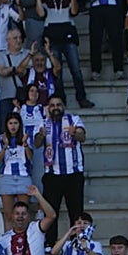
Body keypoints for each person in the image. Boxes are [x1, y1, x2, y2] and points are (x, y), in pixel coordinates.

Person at [39, 95, 87, 240]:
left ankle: (76, 242)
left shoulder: (74, 119)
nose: (55, 108)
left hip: (73, 173)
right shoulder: (42, 122)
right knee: (51, 212)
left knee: (76, 211)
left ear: (63, 106)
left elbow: (82, 136)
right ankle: (50, 243)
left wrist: (75, 133)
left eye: (58, 105)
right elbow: (36, 143)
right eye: (52, 105)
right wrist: (40, 136)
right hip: (52, 174)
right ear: (48, 108)